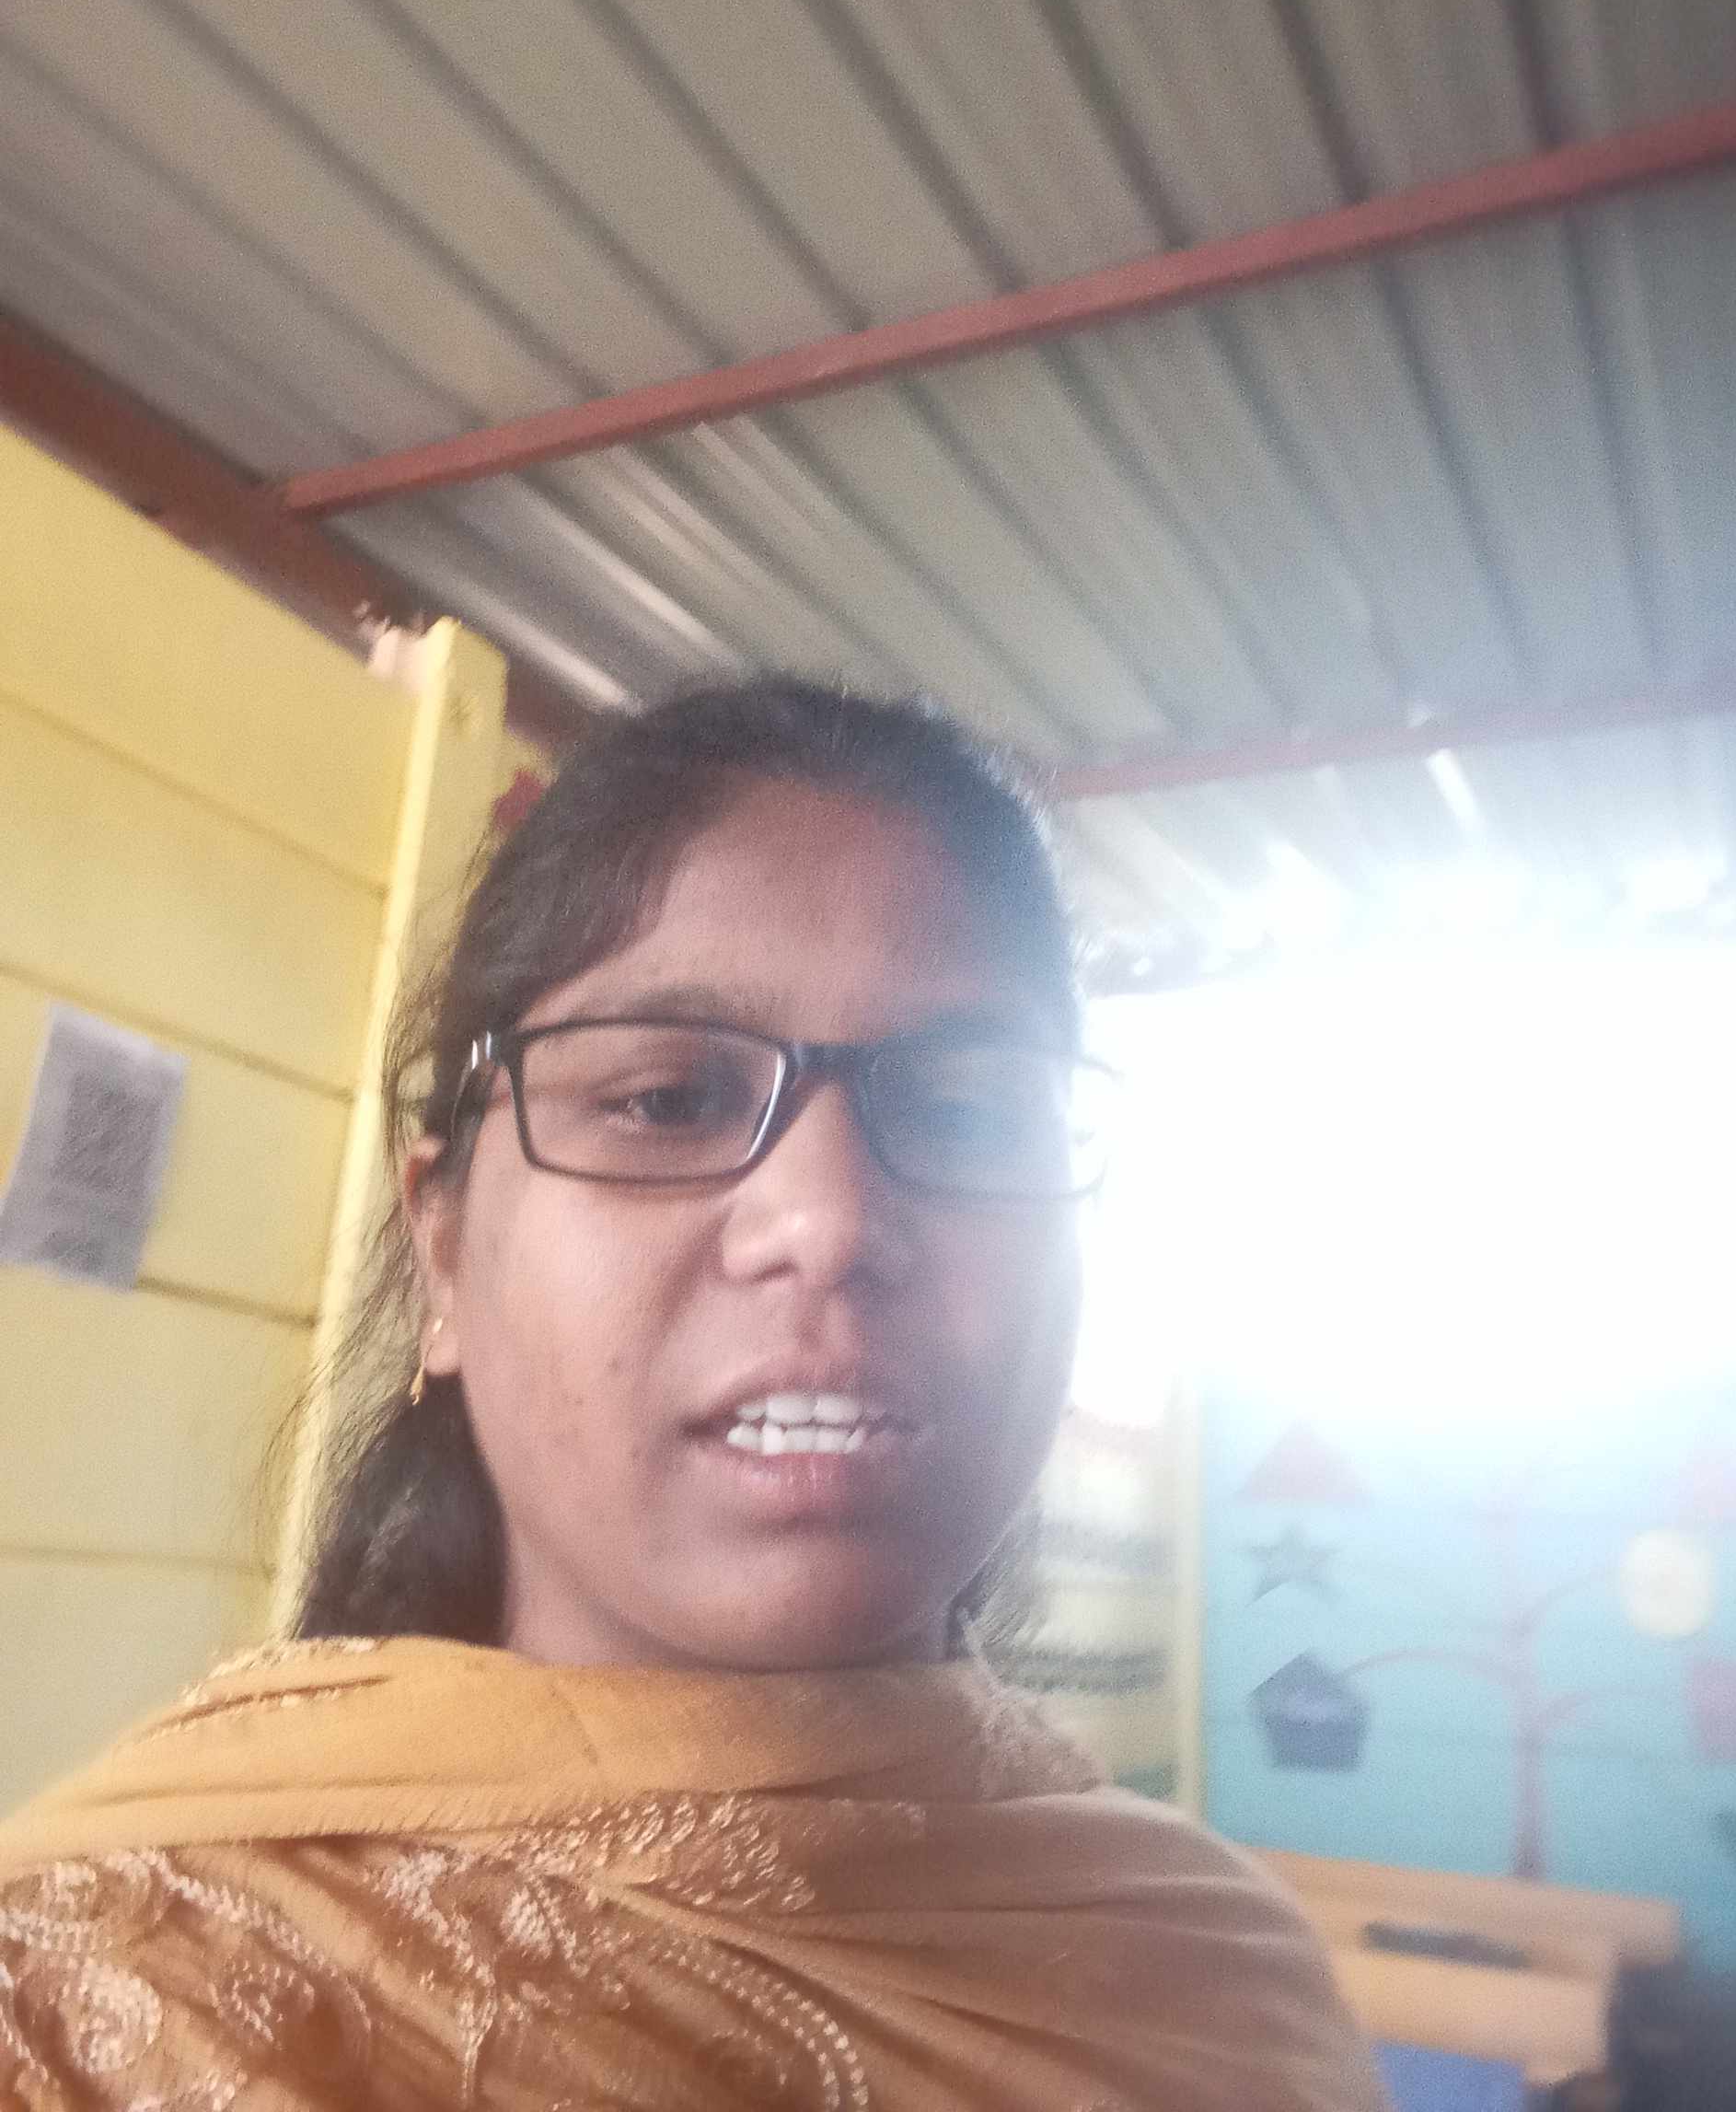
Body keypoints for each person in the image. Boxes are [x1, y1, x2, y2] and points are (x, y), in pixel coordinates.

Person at [0, 680, 1384, 2109]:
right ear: (446, 1259)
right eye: (666, 1101)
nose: (828, 1223)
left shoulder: (1219, 1981)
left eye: (967, 1114)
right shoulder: (104, 2014)